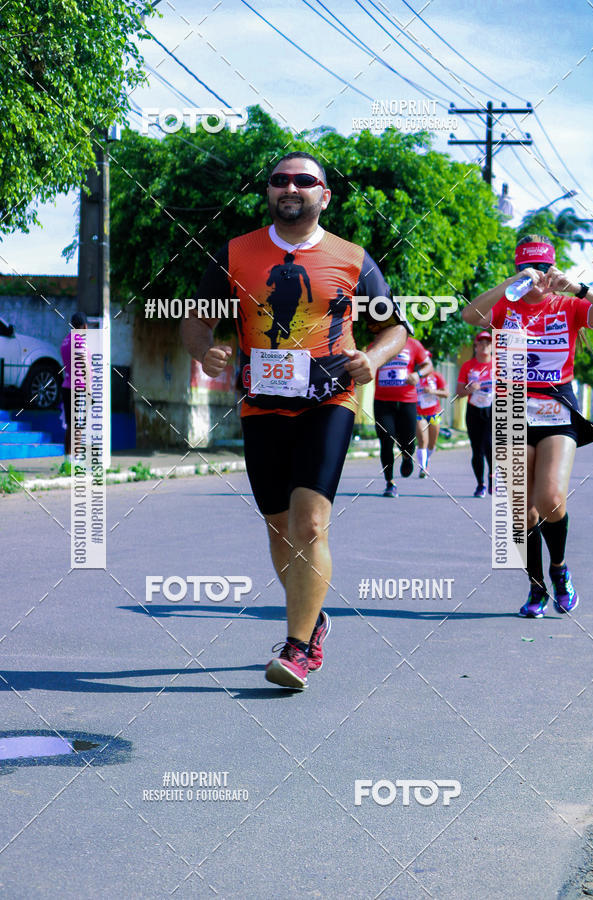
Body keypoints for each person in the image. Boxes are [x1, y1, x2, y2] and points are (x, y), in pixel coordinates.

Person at [182, 151, 411, 689]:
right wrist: (204, 351)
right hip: (262, 403)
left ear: (324, 195)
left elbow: (393, 329)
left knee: (310, 523)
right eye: (280, 180)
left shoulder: (353, 258)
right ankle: (312, 618)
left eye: (304, 181)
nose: (291, 188)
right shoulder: (236, 252)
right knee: (279, 527)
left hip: (328, 399)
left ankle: (299, 646)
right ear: (268, 192)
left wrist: (371, 361)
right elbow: (197, 320)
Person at [462, 234, 593, 617]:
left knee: (550, 499)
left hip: (557, 410)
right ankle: (536, 587)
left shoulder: (569, 305)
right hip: (513, 411)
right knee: (521, 510)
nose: (537, 275)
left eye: (542, 267)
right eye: (528, 267)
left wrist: (578, 287)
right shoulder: (506, 307)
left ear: (552, 268)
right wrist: (509, 285)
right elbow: (469, 315)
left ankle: (559, 570)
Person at [373, 336, 432, 497]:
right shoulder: (378, 343)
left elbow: (429, 366)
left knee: (408, 442)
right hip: (383, 401)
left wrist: (418, 375)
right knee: (386, 439)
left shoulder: (413, 344)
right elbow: (369, 362)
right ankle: (390, 482)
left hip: (407, 400)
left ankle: (407, 456)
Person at [456, 332, 494, 498]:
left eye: (488, 342)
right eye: (481, 342)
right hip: (474, 410)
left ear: (492, 346)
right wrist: (469, 389)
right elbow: (459, 392)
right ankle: (480, 484)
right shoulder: (468, 366)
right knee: (477, 449)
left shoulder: (498, 365)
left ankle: (492, 477)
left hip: (493, 408)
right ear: (476, 346)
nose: (485, 345)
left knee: (489, 445)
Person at [60, 311, 87, 472]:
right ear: (84, 326)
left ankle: (67, 459)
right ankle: (77, 460)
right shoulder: (79, 341)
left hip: (66, 385)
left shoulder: (66, 341)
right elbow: (84, 365)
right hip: (78, 387)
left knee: (71, 424)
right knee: (77, 425)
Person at [415, 362, 449, 477]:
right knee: (422, 441)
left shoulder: (436, 376)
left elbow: (446, 393)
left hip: (434, 414)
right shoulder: (414, 377)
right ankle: (423, 468)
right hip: (419, 413)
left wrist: (433, 391)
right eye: (420, 365)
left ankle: (426, 459)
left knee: (432, 443)